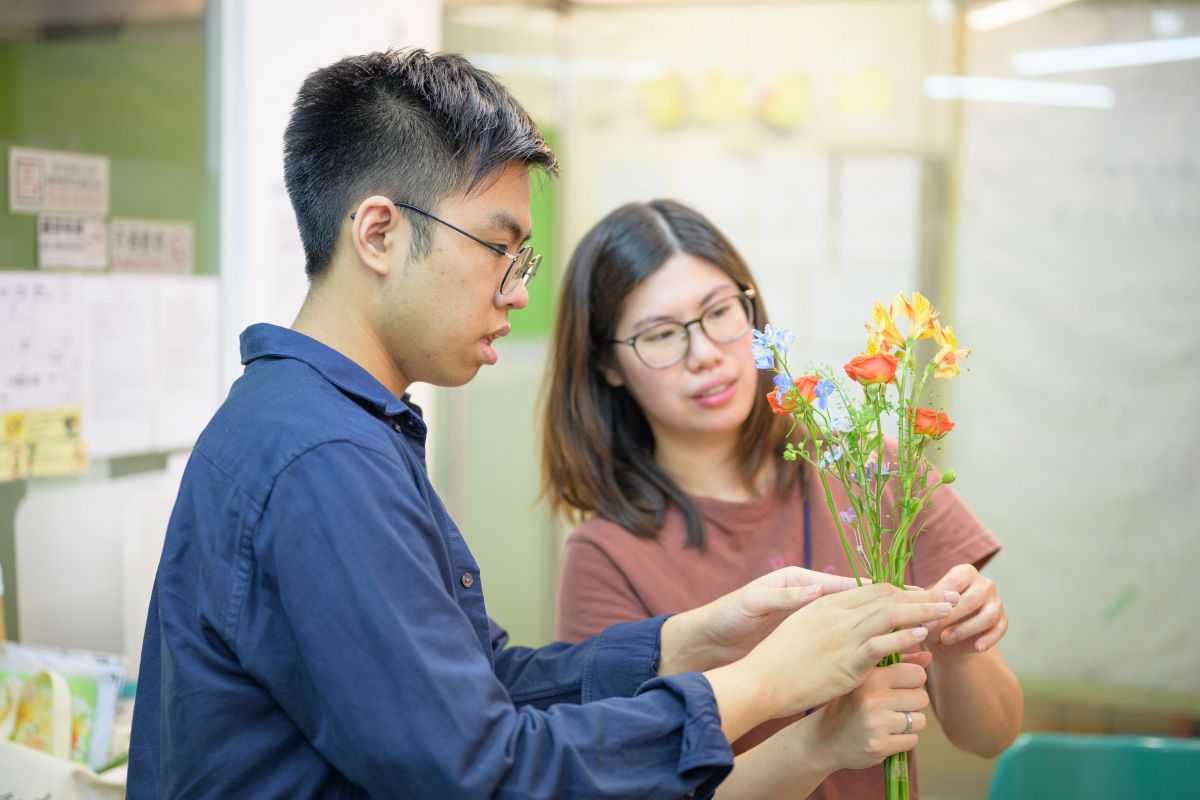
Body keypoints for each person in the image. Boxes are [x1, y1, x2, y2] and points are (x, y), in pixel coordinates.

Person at [127, 51, 957, 799]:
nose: (518, 292)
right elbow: (482, 773)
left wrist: (693, 639)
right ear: (379, 233)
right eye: (501, 250)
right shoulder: (320, 459)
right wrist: (764, 683)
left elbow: (482, 684)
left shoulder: (341, 427)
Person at [543, 199, 1024, 799]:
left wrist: (958, 650)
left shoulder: (871, 469)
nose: (706, 353)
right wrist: (818, 746)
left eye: (720, 312)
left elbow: (992, 734)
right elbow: (622, 787)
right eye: (661, 334)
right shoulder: (605, 555)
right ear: (607, 365)